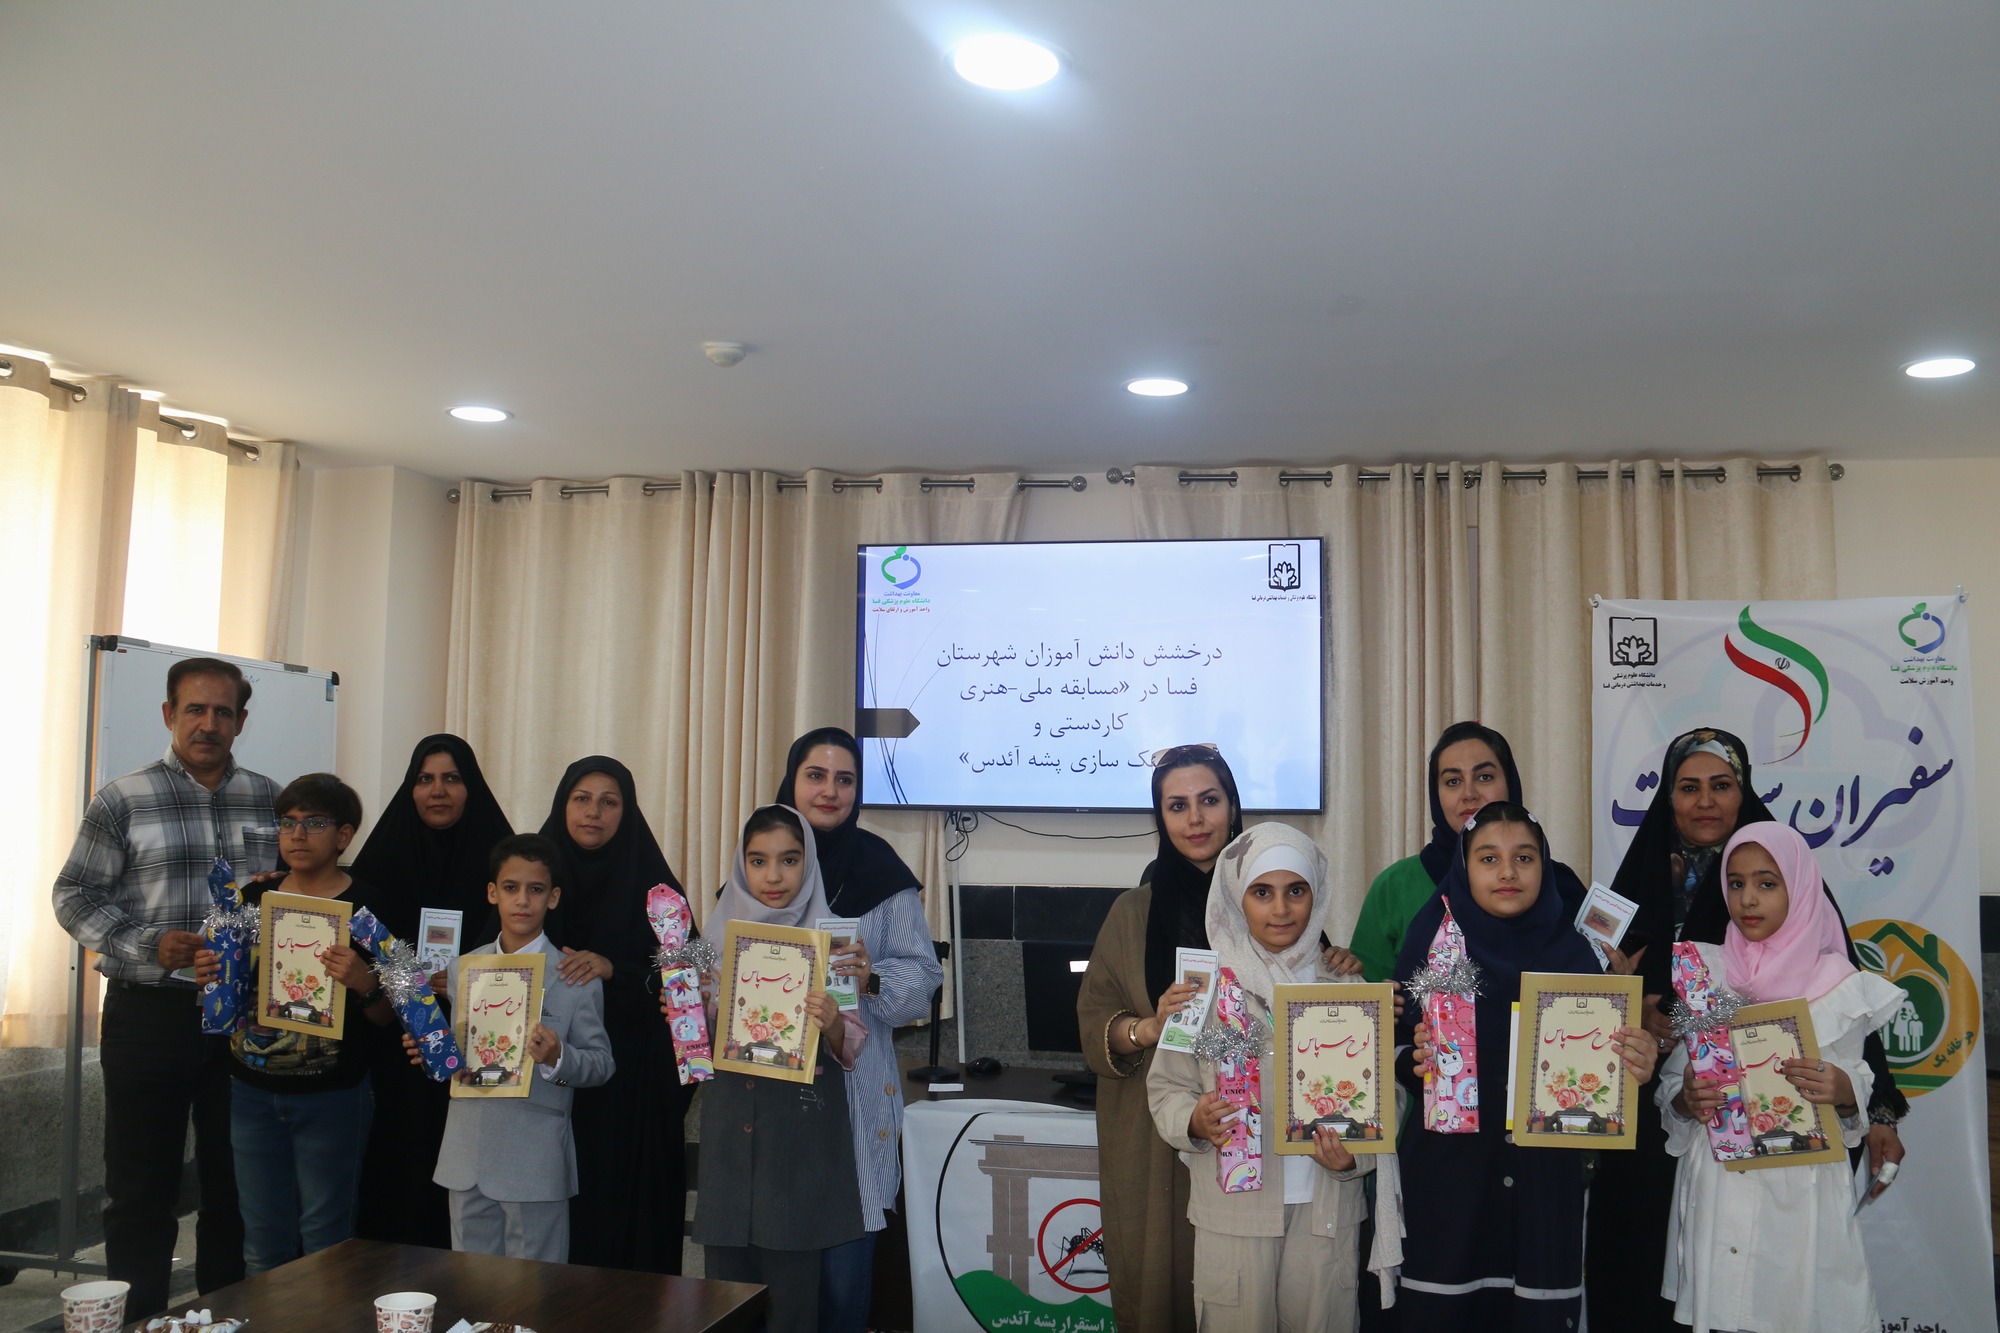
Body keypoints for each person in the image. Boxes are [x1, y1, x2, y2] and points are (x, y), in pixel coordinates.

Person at [1588, 726, 1907, 1331]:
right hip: (1662, 1125)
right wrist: (1632, 1013)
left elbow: (1841, 1011)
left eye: (1722, 785)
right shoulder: (1631, 888)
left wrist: (1878, 1111)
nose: (1705, 801)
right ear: (1669, 798)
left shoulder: (1786, 874)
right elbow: (1584, 1012)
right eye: (1689, 787)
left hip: (1776, 1154)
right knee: (1661, 1272)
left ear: (1744, 791)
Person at [52, 656, 273, 1318]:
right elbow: (73, 895)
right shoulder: (122, 799)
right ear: (169, 714)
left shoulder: (271, 799)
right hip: (150, 1014)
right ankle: (142, 1320)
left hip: (243, 1019)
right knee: (141, 1188)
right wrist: (150, 944)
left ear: (241, 721)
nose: (208, 724)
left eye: (223, 711)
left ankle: (224, 1317)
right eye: (195, 709)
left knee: (235, 1183)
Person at [1394, 802, 1658, 1332]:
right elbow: (1394, 1051)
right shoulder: (1432, 941)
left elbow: (1605, 1082)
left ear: (1545, 866)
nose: (1508, 872)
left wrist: (1637, 1060)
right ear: (1463, 868)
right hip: (1449, 1186)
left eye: (1524, 857)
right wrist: (1413, 1059)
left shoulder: (1580, 957)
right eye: (1488, 858)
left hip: (1546, 1190)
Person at [1657, 822, 1903, 1332]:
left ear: (1801, 887)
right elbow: (1675, 1083)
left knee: (1794, 1308)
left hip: (1800, 1191)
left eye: (1767, 883)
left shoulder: (1839, 985)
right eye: (1736, 883)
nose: (1748, 899)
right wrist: (1686, 1100)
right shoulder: (1707, 975)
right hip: (1719, 1184)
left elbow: (1857, 1082)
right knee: (1721, 1312)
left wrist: (1844, 1091)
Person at [1147, 823, 1377, 1331]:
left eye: (1296, 891)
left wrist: (1353, 1159)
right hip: (1233, 1214)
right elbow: (1166, 1089)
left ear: (1317, 896)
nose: (1280, 909)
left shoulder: (1345, 984)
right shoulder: (1199, 991)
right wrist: (1194, 1120)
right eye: (1262, 892)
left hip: (1325, 1211)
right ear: (1236, 897)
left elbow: (1382, 1098)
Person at [773, 727, 945, 1331]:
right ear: (792, 781)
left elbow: (922, 980)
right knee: (779, 1282)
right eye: (816, 776)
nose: (830, 791)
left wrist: (872, 979)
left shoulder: (881, 872)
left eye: (844, 779)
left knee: (844, 1283)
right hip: (770, 1099)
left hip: (853, 1097)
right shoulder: (764, 859)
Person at [1076, 743, 1244, 1332]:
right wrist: (1147, 1027)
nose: (1195, 819)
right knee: (1160, 1289)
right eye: (1177, 806)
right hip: (1154, 1143)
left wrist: (1340, 970)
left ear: (1233, 806)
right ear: (1160, 818)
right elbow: (1094, 1021)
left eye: (1209, 800)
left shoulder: (1272, 899)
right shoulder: (1132, 913)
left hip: (1246, 1132)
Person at [202, 773, 391, 1272]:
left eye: (314, 823)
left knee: (327, 1241)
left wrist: (363, 982)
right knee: (262, 1243)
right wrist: (209, 973)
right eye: (287, 823)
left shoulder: (369, 907)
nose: (298, 835)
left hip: (332, 1095)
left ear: (344, 836)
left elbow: (388, 1016)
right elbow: (225, 987)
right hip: (250, 1091)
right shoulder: (252, 898)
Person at [689, 805, 866, 1333]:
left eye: (789, 860)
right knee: (725, 1302)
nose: (773, 876)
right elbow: (692, 1050)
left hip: (797, 1150)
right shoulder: (709, 947)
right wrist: (688, 1011)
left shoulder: (833, 943)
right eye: (758, 860)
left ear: (808, 864)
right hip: (728, 1147)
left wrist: (832, 1024)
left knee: (792, 1307)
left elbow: (851, 1042)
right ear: (740, 866)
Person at [350, 734, 513, 1248]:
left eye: (451, 778)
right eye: (425, 779)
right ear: (410, 788)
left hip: (476, 1045)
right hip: (392, 1048)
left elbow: (523, 943)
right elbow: (346, 931)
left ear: (471, 787)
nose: (437, 790)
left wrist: (467, 977)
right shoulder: (379, 863)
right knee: (397, 1168)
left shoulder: (502, 864)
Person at [418, 833, 614, 1261]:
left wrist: (558, 1056)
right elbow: (458, 1057)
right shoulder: (462, 970)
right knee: (470, 1287)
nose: (522, 900)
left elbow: (602, 1064)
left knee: (536, 1291)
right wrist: (433, 1053)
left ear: (553, 897)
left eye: (536, 889)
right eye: (511, 887)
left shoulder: (574, 975)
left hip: (535, 1160)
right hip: (465, 1155)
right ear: (493, 893)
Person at [536, 756, 696, 1273]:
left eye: (609, 802)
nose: (594, 812)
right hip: (546, 1087)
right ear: (563, 804)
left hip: (632, 1094)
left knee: (624, 1229)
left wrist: (616, 970)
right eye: (581, 799)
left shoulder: (658, 892)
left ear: (627, 812)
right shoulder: (533, 882)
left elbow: (686, 988)